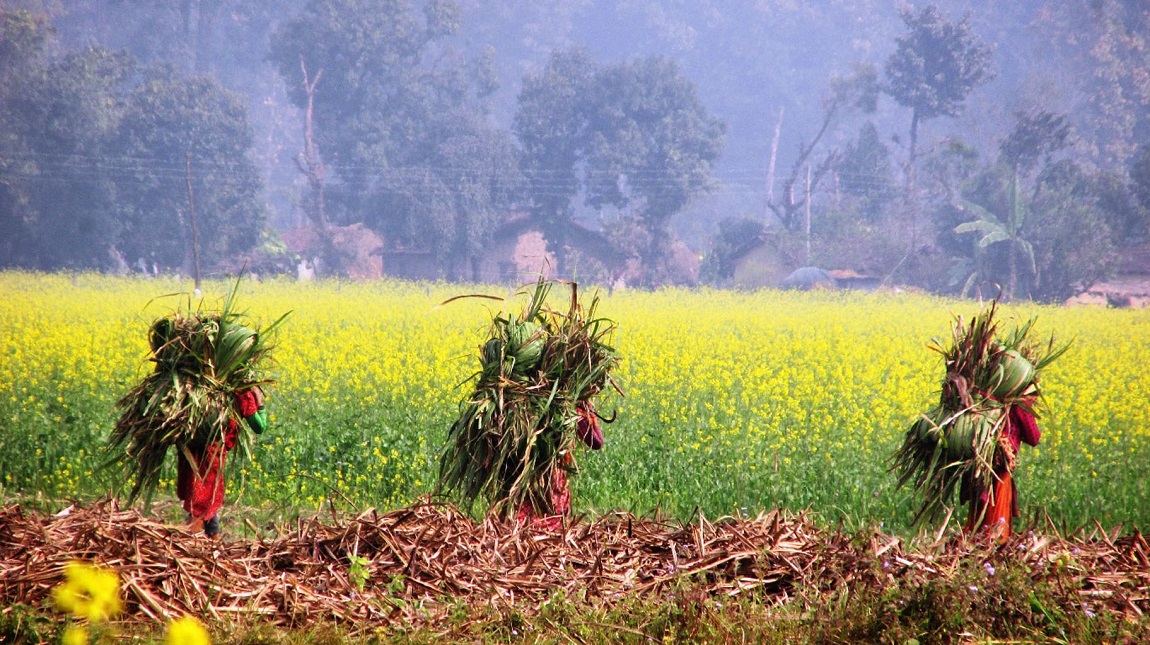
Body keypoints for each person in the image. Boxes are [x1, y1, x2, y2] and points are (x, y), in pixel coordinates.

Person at [177, 386, 267, 537]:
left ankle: (214, 540)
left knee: (205, 496)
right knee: (202, 500)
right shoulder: (243, 393)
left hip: (189, 448)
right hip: (211, 453)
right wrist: (260, 402)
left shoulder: (205, 385)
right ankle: (186, 542)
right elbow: (260, 426)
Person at [515, 401, 603, 531]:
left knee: (521, 517)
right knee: (550, 520)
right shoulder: (570, 408)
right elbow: (596, 442)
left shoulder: (521, 404)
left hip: (521, 473)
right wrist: (590, 415)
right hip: (551, 477)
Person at [962, 398, 1041, 541]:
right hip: (999, 469)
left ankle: (973, 549)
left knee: (977, 520)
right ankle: (991, 549)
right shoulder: (1020, 404)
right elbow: (1034, 437)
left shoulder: (983, 397)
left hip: (978, 464)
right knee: (996, 524)